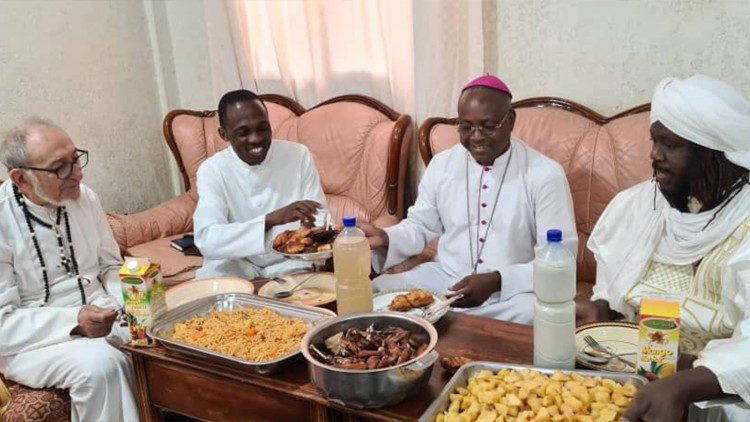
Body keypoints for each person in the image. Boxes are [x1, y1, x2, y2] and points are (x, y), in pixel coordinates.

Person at [578, 74, 750, 420]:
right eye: (654, 141)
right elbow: (613, 294)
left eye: (669, 145)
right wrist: (603, 310)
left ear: (713, 152)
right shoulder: (637, 207)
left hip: (721, 394)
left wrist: (683, 385)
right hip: (625, 377)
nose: (654, 155)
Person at [362, 75, 577, 323]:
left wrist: (498, 281)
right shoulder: (442, 164)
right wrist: (385, 237)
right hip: (446, 278)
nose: (476, 136)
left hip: (512, 293)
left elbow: (561, 260)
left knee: (536, 314)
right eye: (466, 127)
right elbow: (420, 225)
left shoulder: (545, 174)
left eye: (488, 126)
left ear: (510, 121)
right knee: (379, 290)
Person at [0, 119, 138, 421]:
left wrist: (130, 301)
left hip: (103, 314)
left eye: (76, 158)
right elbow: (2, 324)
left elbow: (110, 266)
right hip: (32, 342)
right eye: (60, 167)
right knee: (102, 366)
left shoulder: (85, 197)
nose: (77, 173)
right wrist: (74, 321)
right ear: (20, 178)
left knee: (166, 338)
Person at [193, 89, 327, 279]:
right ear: (224, 134)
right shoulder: (212, 169)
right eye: (243, 133)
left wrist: (309, 231)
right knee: (209, 283)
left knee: (309, 288)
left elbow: (320, 216)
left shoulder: (298, 155)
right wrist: (270, 220)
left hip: (290, 262)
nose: (256, 139)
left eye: (263, 128)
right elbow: (207, 239)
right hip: (237, 263)